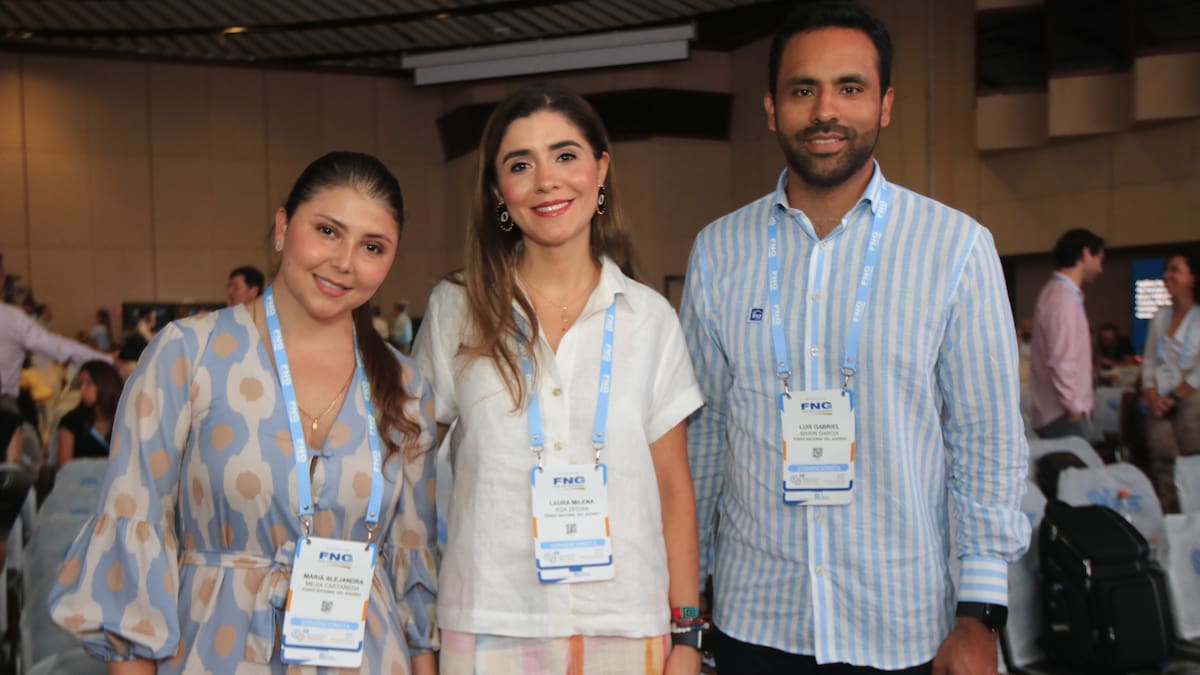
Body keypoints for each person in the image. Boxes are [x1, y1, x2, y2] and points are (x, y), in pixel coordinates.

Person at [680, 3, 1030, 673]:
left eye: (850, 87)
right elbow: (705, 436)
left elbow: (985, 437)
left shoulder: (955, 248)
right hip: (756, 620)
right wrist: (687, 614)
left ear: (886, 103)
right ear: (771, 106)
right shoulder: (719, 251)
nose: (824, 111)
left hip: (903, 623)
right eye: (802, 89)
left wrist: (981, 615)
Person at [49, 152, 439, 675]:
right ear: (283, 226)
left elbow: (411, 562)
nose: (346, 261)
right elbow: (135, 527)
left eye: (372, 246)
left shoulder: (406, 385)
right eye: (327, 230)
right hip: (217, 652)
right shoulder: (188, 354)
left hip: (365, 658)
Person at [412, 82, 704, 675]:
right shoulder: (455, 308)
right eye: (521, 164)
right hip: (488, 621)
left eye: (566, 156)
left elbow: (674, 490)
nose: (547, 180)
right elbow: (413, 482)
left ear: (601, 171)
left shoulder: (649, 318)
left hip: (627, 623)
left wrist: (688, 636)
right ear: (500, 192)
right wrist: (418, 626)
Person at [1030, 229, 1105, 440]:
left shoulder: (1059, 293)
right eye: (1099, 259)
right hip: (1062, 415)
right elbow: (1061, 360)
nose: (1101, 269)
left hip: (1061, 413)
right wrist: (1075, 408)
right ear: (1085, 254)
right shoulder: (1062, 298)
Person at [1141, 252, 1199, 514]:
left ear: (1192, 277)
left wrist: (1175, 397)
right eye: (1166, 270)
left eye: (1175, 270)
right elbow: (1149, 362)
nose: (1168, 276)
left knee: (1192, 461)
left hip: (1190, 400)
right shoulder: (1160, 318)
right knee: (1163, 462)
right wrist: (1152, 396)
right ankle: (1173, 522)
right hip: (1161, 402)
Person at [0, 287, 112, 416]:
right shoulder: (12, 318)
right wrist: (106, 359)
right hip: (32, 376)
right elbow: (54, 346)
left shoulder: (32, 323)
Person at [56, 360, 123, 464]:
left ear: (105, 384)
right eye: (81, 384)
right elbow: (65, 468)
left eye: (89, 383)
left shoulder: (124, 420)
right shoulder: (71, 421)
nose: (82, 389)